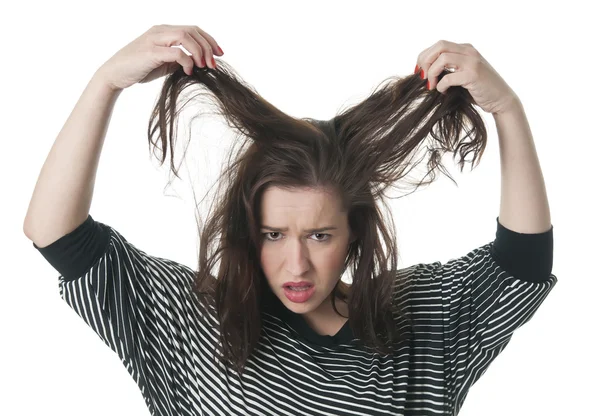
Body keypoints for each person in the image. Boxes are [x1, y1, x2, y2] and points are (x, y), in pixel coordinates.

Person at [24, 24, 557, 415]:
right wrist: (105, 83)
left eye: (320, 235)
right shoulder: (190, 319)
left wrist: (507, 108)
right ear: (246, 234)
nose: (296, 263)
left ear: (354, 237)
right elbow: (55, 232)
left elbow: (522, 265)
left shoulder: (420, 321)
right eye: (273, 234)